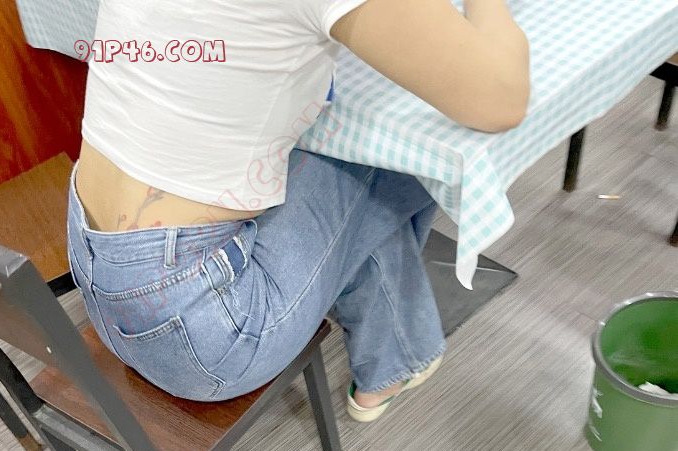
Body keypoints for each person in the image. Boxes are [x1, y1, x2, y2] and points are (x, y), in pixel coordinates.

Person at [68, 0, 529, 422]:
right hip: (206, 337)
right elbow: (500, 99)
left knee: (326, 141)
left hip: (92, 265)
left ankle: (397, 352)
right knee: (392, 147)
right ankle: (397, 355)